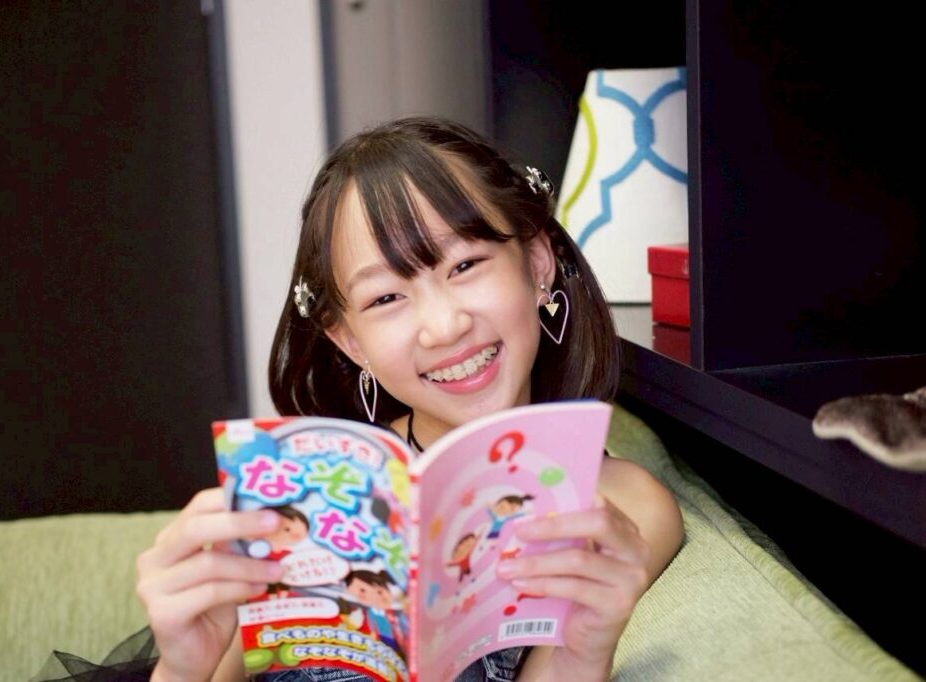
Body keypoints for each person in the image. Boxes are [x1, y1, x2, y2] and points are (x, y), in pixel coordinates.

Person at [135, 117, 684, 682]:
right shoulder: (308, 494)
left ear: (537, 264)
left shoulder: (621, 510)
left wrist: (584, 648)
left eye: (465, 265)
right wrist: (182, 667)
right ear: (349, 341)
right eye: (386, 298)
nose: (444, 327)